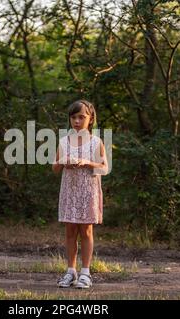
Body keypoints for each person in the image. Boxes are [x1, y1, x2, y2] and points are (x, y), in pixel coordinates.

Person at [52, 99, 108, 289]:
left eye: (81, 117)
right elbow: (54, 168)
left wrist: (87, 163)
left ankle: (85, 273)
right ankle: (70, 271)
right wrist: (64, 162)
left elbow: (104, 168)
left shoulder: (96, 142)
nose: (77, 121)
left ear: (90, 119)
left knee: (86, 230)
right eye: (73, 117)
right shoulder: (63, 142)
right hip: (70, 191)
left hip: (88, 191)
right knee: (70, 231)